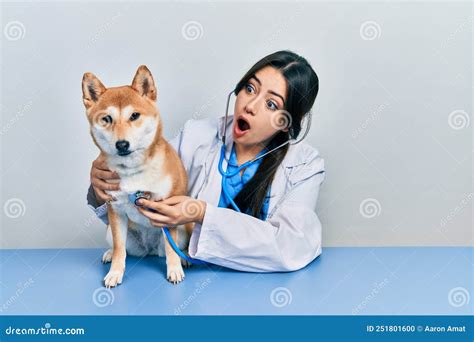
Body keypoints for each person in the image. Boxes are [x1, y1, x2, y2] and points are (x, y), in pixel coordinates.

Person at [87, 50, 325, 272]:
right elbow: (138, 204)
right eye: (251, 89)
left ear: (289, 121)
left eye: (271, 104)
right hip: (194, 280)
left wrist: (200, 213)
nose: (250, 106)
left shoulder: (305, 166)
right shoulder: (196, 135)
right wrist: (102, 188)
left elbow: (293, 246)